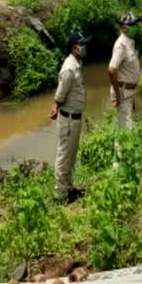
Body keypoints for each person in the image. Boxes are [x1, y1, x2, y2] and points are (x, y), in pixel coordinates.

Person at [50, 32, 89, 204]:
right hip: (68, 120)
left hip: (75, 118)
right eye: (82, 44)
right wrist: (56, 106)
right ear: (74, 48)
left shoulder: (77, 64)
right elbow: (60, 94)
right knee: (64, 157)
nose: (84, 47)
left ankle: (69, 188)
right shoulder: (69, 69)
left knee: (71, 156)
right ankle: (60, 196)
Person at [108, 12, 141, 130]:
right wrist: (117, 94)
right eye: (133, 25)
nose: (136, 27)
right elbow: (112, 70)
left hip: (129, 93)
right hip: (123, 93)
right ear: (124, 28)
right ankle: (120, 149)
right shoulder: (121, 44)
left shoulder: (130, 43)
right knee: (125, 131)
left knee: (125, 128)